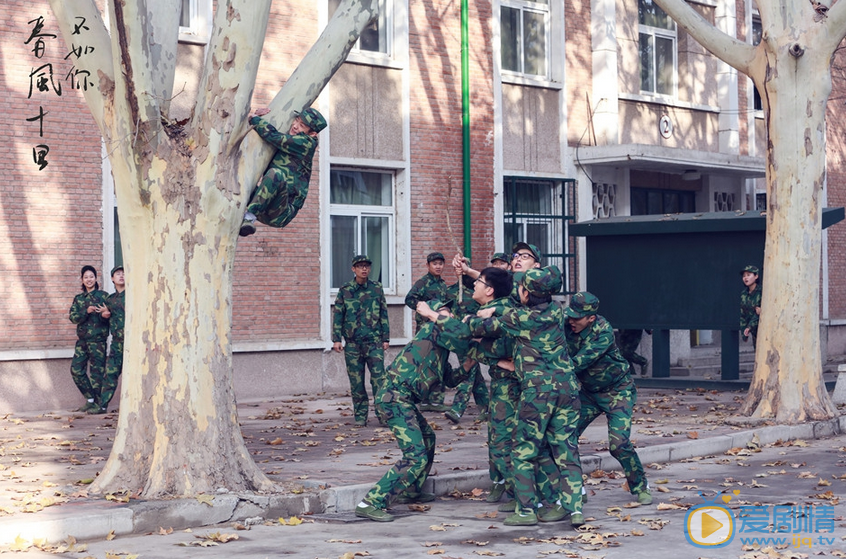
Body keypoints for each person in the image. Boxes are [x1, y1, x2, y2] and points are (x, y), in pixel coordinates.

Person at [475, 267, 584, 527]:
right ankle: (574, 508)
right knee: (566, 450)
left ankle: (526, 511)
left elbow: (476, 325)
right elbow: (510, 309)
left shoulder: (521, 319)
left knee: (523, 451)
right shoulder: (557, 311)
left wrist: (436, 316)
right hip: (568, 389)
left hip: (538, 392)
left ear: (525, 293)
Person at [355, 301, 473, 522]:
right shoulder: (432, 330)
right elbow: (463, 335)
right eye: (442, 314)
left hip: (404, 399)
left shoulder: (441, 349)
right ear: (431, 317)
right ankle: (371, 502)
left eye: (449, 314)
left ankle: (411, 490)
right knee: (415, 455)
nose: (447, 317)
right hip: (395, 397)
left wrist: (467, 366)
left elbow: (448, 379)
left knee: (428, 438)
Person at [564, 292, 652, 506]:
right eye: (570, 316)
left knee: (619, 444)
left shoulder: (603, 332)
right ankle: (576, 489)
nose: (572, 321)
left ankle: (640, 486)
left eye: (577, 318)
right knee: (566, 438)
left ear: (591, 318)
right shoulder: (566, 325)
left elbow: (581, 361)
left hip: (617, 391)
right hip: (589, 393)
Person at [461, 267, 518, 505]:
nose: (474, 284)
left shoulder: (504, 310)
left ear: (490, 290)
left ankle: (521, 494)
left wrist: (474, 338)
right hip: (499, 382)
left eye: (479, 281)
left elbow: (498, 347)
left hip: (512, 385)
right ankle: (499, 482)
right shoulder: (489, 310)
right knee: (495, 435)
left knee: (504, 439)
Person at [239, 107, 327, 236]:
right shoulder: (295, 136)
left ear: (312, 134)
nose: (295, 126)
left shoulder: (306, 144)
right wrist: (260, 116)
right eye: (296, 120)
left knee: (276, 174)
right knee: (242, 180)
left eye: (302, 126)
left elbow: (274, 136)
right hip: (266, 203)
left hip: (282, 212)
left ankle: (249, 218)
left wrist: (255, 119)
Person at [332, 255, 390, 427]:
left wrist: (385, 338)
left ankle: (383, 415)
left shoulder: (377, 288)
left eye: (366, 266)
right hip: (353, 344)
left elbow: (383, 314)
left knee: (379, 380)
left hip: (373, 342)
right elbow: (338, 315)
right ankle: (360, 416)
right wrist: (336, 339)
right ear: (353, 269)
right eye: (360, 266)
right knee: (356, 382)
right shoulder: (345, 290)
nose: (364, 269)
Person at [404, 252, 449, 411]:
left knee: (440, 362)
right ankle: (423, 400)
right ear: (428, 265)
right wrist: (425, 308)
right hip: (425, 329)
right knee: (424, 363)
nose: (438, 266)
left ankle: (436, 401)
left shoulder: (443, 284)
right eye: (435, 263)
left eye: (440, 263)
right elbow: (409, 299)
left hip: (441, 329)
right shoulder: (423, 283)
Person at [444, 269, 490, 425]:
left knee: (468, 371)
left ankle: (457, 409)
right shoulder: (450, 291)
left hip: (474, 338)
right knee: (475, 375)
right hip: (458, 339)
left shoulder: (478, 294)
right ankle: (486, 409)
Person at [68, 265, 110, 414]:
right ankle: (90, 398)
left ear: (96, 278)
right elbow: (73, 318)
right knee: (76, 370)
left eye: (91, 276)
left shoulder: (104, 296)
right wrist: (85, 311)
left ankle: (98, 404)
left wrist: (105, 314)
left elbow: (109, 317)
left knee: (97, 373)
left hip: (98, 342)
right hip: (82, 341)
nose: (89, 279)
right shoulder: (79, 299)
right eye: (86, 277)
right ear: (82, 280)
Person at [97, 265, 126, 413]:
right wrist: (105, 315)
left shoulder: (132, 295)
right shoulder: (110, 300)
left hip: (133, 343)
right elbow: (103, 321)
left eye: (124, 273)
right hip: (117, 343)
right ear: (112, 279)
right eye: (118, 274)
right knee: (111, 374)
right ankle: (102, 405)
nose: (121, 276)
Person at [740, 264, 762, 349]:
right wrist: (744, 332)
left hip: (763, 330)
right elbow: (742, 314)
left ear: (756, 276)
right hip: (753, 332)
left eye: (748, 275)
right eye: (744, 276)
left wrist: (749, 327)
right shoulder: (743, 294)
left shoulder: (762, 292)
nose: (746, 278)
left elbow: (759, 313)